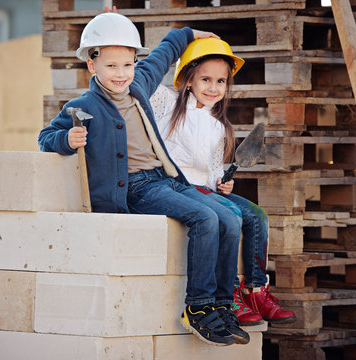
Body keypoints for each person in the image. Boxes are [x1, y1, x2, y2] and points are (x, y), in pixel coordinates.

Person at [38, 12, 250, 345]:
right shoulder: (84, 105)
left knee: (230, 217)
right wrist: (67, 141)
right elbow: (46, 136)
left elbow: (165, 53)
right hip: (135, 189)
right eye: (111, 66)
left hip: (166, 178)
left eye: (127, 64)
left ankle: (223, 306)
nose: (121, 74)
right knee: (205, 217)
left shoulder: (138, 87)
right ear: (92, 66)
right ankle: (197, 308)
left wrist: (190, 32)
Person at [150, 37, 297, 326]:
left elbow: (214, 170)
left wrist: (223, 183)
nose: (213, 87)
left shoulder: (220, 127)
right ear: (187, 79)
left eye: (221, 81)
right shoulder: (166, 103)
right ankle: (227, 292)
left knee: (256, 215)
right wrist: (117, 41)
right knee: (228, 216)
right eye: (205, 79)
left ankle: (256, 289)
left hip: (207, 189)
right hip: (178, 188)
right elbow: (141, 77)